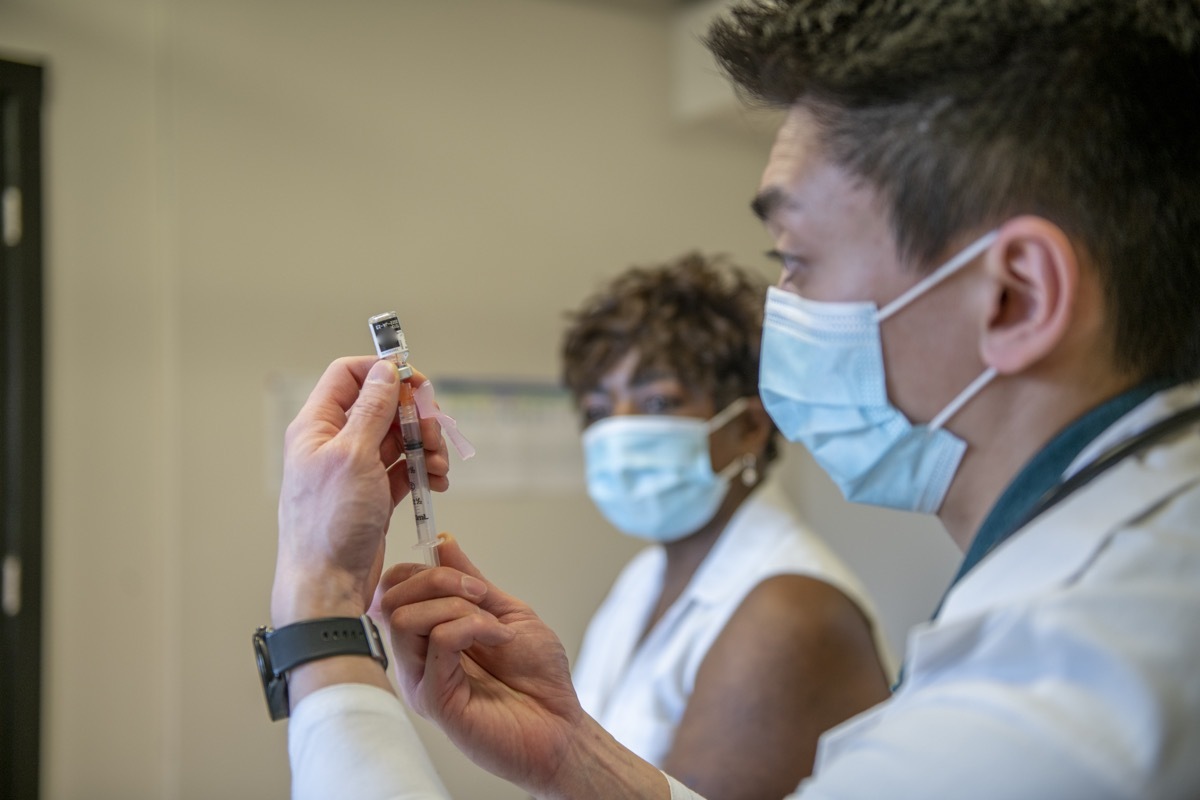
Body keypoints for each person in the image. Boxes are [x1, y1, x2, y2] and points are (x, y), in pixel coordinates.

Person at [262, 1, 1200, 798]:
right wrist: (581, 757)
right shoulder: (1133, 560)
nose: (779, 313)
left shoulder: (1046, 707)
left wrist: (324, 616)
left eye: (795, 259)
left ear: (1016, 296)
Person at [562, 254, 891, 797]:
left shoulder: (789, 610)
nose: (618, 433)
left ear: (748, 429)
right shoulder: (642, 580)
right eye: (598, 410)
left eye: (658, 401)